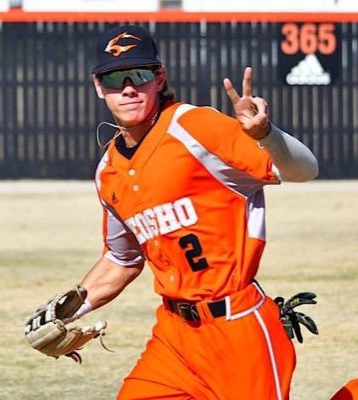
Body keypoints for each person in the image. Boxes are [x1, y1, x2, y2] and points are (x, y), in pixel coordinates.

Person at [46, 24, 319, 399]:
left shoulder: (193, 126)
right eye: (113, 78)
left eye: (139, 75)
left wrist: (265, 135)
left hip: (238, 328)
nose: (127, 87)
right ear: (99, 87)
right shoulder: (108, 169)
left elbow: (303, 171)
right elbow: (122, 260)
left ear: (159, 78)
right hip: (174, 338)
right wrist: (65, 310)